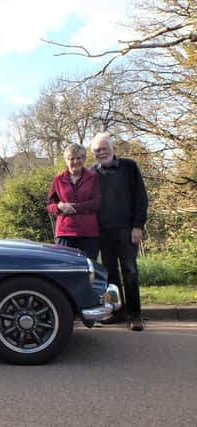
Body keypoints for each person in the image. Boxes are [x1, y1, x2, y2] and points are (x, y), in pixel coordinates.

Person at [91, 132, 148, 331]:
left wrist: (138, 226)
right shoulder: (92, 173)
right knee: (110, 276)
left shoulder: (129, 166)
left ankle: (135, 315)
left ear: (113, 149)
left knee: (130, 272)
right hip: (103, 232)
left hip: (127, 230)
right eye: (97, 150)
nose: (100, 152)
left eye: (103, 148)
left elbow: (140, 197)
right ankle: (118, 312)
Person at [47, 143, 101, 260]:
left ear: (84, 159)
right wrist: (60, 207)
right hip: (65, 233)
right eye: (72, 158)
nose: (76, 161)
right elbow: (50, 206)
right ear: (66, 160)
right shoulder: (58, 180)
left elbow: (97, 202)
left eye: (79, 158)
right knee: (64, 269)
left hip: (89, 233)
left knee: (88, 268)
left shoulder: (93, 177)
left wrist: (74, 208)